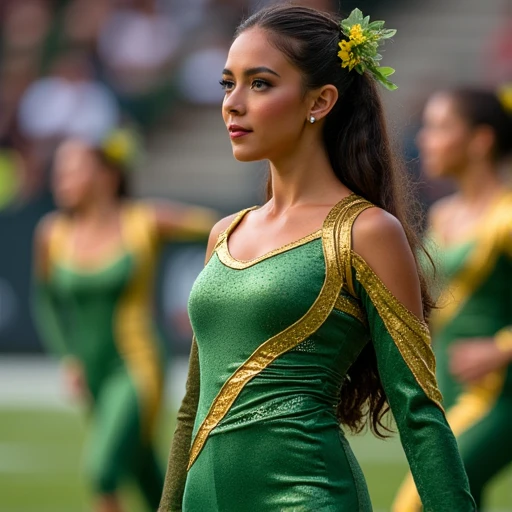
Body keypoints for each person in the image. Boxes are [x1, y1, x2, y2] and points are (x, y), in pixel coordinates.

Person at [159, 6, 476, 511]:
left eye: (259, 84)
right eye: (227, 84)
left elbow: (418, 413)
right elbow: (192, 409)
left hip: (308, 497)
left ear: (320, 100)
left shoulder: (366, 232)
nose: (232, 104)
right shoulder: (224, 233)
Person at [32, 128, 217, 512]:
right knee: (144, 473)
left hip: (136, 365)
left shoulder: (144, 221)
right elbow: (45, 301)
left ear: (106, 174)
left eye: (72, 169)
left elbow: (219, 228)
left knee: (102, 469)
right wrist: (68, 356)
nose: (60, 179)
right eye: (59, 170)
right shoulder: (52, 233)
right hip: (92, 374)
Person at [393, 90, 512, 511]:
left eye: (440, 127)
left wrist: (500, 349)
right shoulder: (442, 215)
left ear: (480, 141)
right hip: (446, 391)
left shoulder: (507, 215)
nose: (424, 138)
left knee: (416, 501)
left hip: (497, 397)